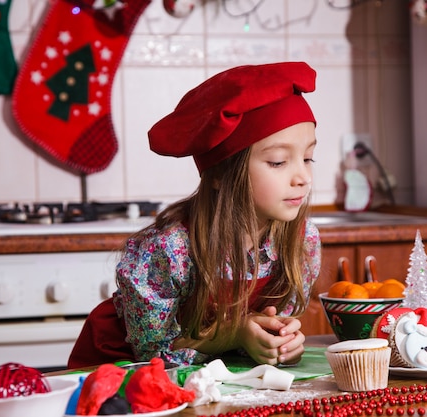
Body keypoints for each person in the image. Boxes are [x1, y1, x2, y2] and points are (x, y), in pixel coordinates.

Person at [68, 62, 321, 369]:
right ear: (221, 174)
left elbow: (270, 330)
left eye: (308, 157)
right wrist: (236, 335)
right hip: (121, 372)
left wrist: (279, 342)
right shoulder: (169, 249)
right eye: (279, 162)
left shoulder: (300, 239)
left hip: (215, 378)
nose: (303, 177)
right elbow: (155, 354)